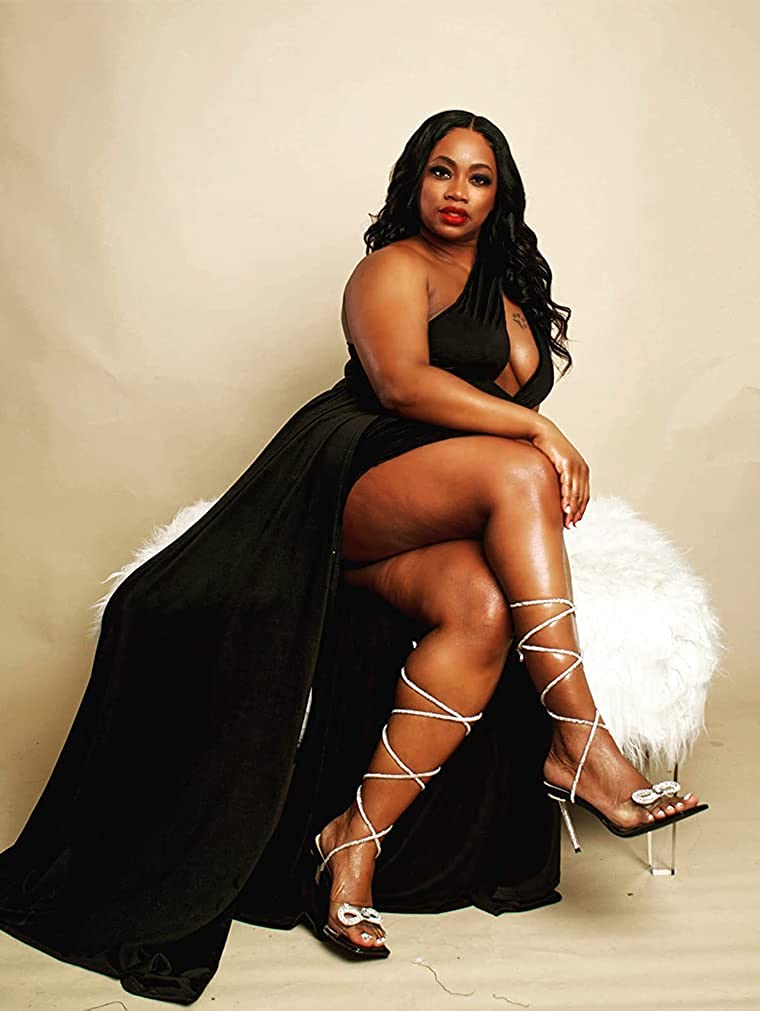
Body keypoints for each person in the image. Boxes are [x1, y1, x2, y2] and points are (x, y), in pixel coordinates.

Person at [0, 109, 707, 1004]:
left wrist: (525, 436)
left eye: (478, 177)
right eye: (442, 171)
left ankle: (352, 842)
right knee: (524, 469)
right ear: (415, 180)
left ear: (501, 195)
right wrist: (542, 428)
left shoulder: (507, 290)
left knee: (482, 609)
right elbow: (401, 385)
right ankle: (581, 739)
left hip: (437, 501)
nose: (457, 192)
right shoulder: (393, 268)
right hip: (349, 478)